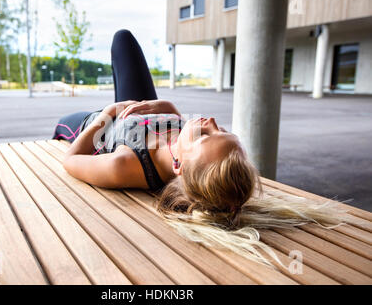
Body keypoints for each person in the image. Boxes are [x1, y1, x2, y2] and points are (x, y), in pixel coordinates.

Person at [53, 29, 351, 267]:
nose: (210, 122)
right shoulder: (187, 148)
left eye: (205, 135)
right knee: (124, 39)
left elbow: (71, 160)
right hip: (142, 109)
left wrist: (108, 112)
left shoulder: (125, 165)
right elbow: (175, 116)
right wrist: (161, 106)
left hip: (101, 125)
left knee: (62, 124)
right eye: (222, 131)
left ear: (179, 165)